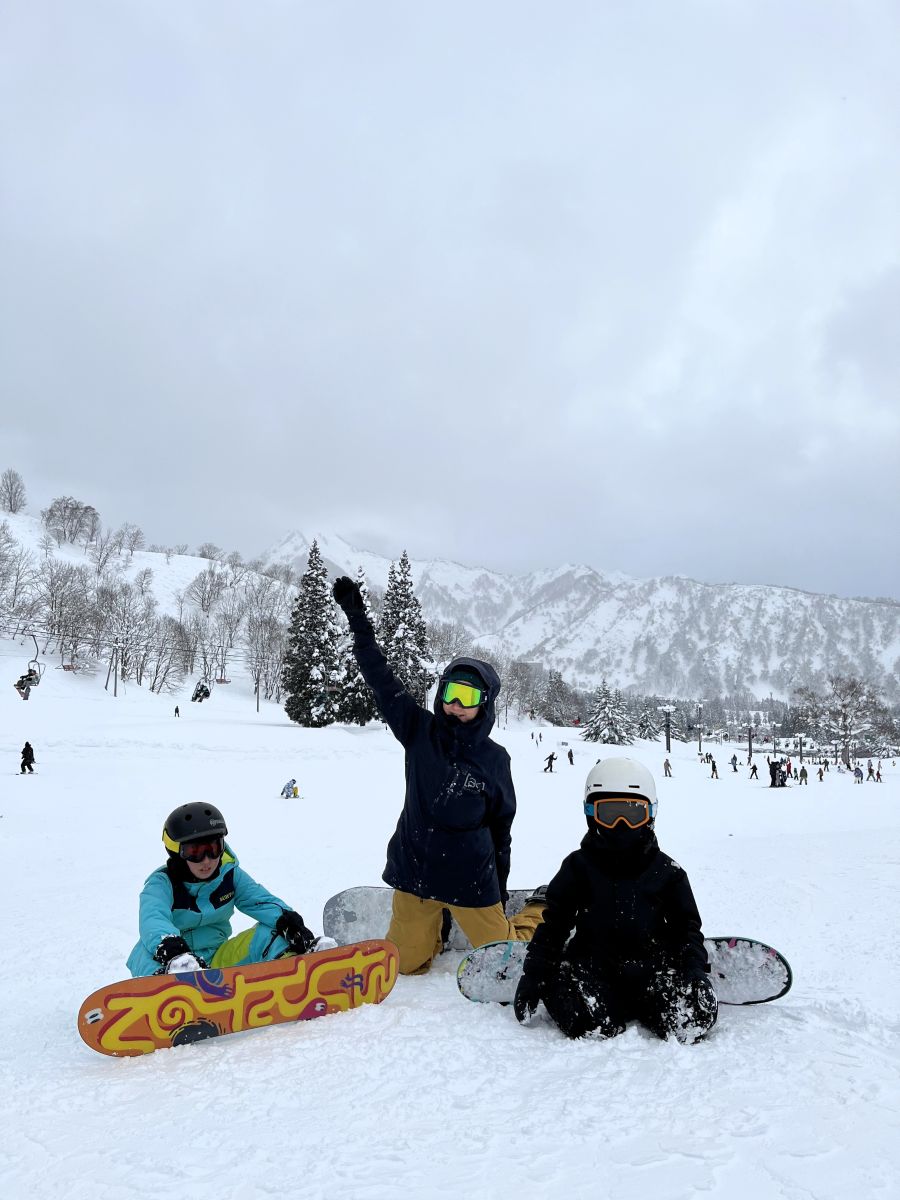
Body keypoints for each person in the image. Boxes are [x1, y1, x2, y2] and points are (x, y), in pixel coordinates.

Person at [332, 575, 546, 976]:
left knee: (504, 961)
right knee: (407, 966)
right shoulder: (419, 731)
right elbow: (379, 677)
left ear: (485, 705)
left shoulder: (494, 759)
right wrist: (356, 616)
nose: (456, 707)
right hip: (416, 874)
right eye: (451, 694)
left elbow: (501, 828)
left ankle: (537, 911)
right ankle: (433, 929)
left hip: (471, 880)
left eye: (468, 699)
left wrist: (498, 892)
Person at [513, 759, 717, 1045]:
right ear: (591, 814)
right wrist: (535, 973)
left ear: (650, 815)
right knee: (587, 1025)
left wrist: (693, 970)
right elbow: (555, 924)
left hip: (652, 971)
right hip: (594, 968)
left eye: (633, 813)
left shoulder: (668, 872)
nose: (621, 825)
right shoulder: (578, 867)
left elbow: (687, 927)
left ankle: (665, 995)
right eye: (609, 813)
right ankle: (567, 981)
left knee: (691, 1023)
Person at [127, 802, 336, 977]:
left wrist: (292, 926)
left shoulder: (229, 875)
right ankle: (160, 995)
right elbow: (153, 919)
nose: (207, 860)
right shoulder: (161, 884)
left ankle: (302, 973)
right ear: (176, 852)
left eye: (214, 848)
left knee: (272, 931)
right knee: (146, 952)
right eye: (195, 852)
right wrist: (174, 952)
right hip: (168, 963)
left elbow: (262, 902)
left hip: (216, 959)